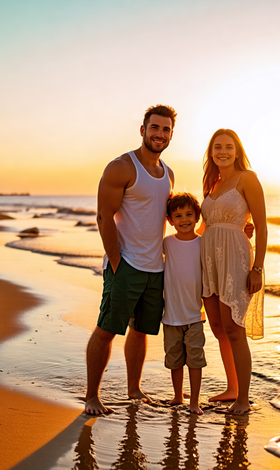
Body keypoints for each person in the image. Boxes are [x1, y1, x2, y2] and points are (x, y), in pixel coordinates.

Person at [85, 105, 176, 415]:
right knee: (107, 330)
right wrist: (115, 263)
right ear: (142, 130)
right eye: (155, 128)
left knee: (140, 332)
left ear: (171, 134)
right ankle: (92, 396)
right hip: (125, 265)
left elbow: (173, 219)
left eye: (166, 129)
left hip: (155, 268)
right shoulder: (122, 167)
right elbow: (103, 216)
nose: (160, 134)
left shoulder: (168, 174)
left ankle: (134, 389)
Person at [200, 129, 267, 415]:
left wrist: (257, 268)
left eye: (228, 147)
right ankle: (232, 388)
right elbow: (205, 227)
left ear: (237, 151)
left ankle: (243, 398)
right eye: (217, 147)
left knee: (234, 329)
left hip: (236, 259)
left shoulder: (247, 178)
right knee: (217, 328)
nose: (222, 151)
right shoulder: (212, 183)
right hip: (209, 259)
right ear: (211, 152)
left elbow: (261, 226)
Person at [162, 193, 206, 415]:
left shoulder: (202, 243)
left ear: (197, 217)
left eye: (189, 214)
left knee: (195, 360)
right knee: (175, 359)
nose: (184, 219)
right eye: (177, 215)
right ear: (169, 220)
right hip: (170, 316)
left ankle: (195, 401)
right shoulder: (167, 243)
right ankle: (178, 395)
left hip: (194, 316)